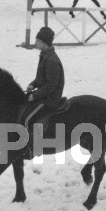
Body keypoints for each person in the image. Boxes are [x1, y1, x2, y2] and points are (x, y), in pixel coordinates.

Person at [22, 27, 65, 160]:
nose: (35, 42)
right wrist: (33, 84)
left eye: (38, 40)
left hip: (50, 99)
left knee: (27, 118)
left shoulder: (51, 60)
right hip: (44, 94)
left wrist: (34, 96)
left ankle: (32, 148)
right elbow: (41, 78)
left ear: (44, 42)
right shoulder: (45, 55)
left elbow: (51, 86)